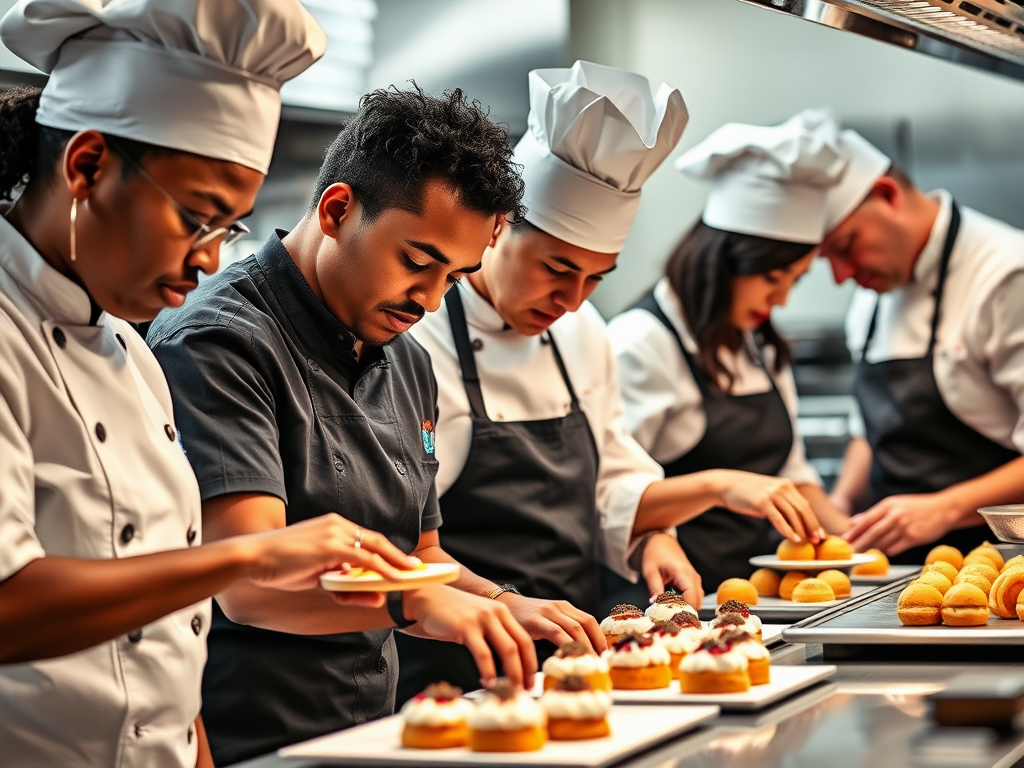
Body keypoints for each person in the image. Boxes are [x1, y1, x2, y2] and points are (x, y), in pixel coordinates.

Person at [0, 2, 425, 767]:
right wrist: (253, 557)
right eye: (196, 218)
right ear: (87, 165)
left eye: (227, 228)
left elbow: (166, 634)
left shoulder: (133, 358)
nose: (206, 259)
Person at [397, 62, 824, 702]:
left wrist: (653, 535)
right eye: (556, 269)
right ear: (498, 229)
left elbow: (614, 480)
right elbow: (402, 541)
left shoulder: (582, 331)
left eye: (595, 278)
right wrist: (504, 603)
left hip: (579, 654)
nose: (571, 300)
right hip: (449, 664)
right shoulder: (417, 336)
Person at [146, 85, 541, 765]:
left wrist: (507, 603)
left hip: (370, 734)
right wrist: (411, 609)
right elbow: (246, 588)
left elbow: (421, 555)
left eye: (454, 276)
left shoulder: (406, 360)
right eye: (417, 262)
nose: (429, 298)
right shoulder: (220, 341)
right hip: (251, 740)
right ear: (336, 209)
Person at [608, 110, 852, 591]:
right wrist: (720, 485)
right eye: (771, 277)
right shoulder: (642, 343)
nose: (781, 299)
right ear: (722, 262)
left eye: (795, 280)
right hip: (674, 602)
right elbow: (611, 498)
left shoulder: (757, 343)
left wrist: (859, 548)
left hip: (761, 599)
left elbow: (792, 475)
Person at [821, 129, 1024, 561]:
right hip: (892, 574)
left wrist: (945, 509)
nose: (840, 276)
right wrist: (839, 501)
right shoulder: (871, 294)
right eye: (827, 260)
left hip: (998, 565)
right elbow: (872, 430)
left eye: (845, 247)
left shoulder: (1005, 274)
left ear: (887, 195)